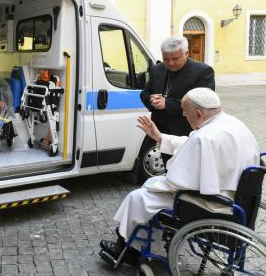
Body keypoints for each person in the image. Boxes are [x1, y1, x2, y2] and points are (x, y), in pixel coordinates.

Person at [100, 88, 260, 264]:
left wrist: (153, 185)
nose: (183, 114)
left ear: (199, 113)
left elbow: (177, 181)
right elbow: (193, 144)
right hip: (235, 199)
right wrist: (160, 137)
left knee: (138, 197)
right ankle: (147, 246)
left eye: (185, 111)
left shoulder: (204, 136)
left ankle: (129, 250)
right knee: (150, 190)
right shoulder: (232, 124)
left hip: (210, 204)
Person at [140, 37, 215, 137]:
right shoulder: (157, 69)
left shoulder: (202, 71)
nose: (170, 63)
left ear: (187, 53)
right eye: (166, 59)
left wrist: (167, 104)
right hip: (160, 130)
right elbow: (144, 93)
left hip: (187, 131)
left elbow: (204, 102)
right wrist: (152, 99)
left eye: (175, 59)